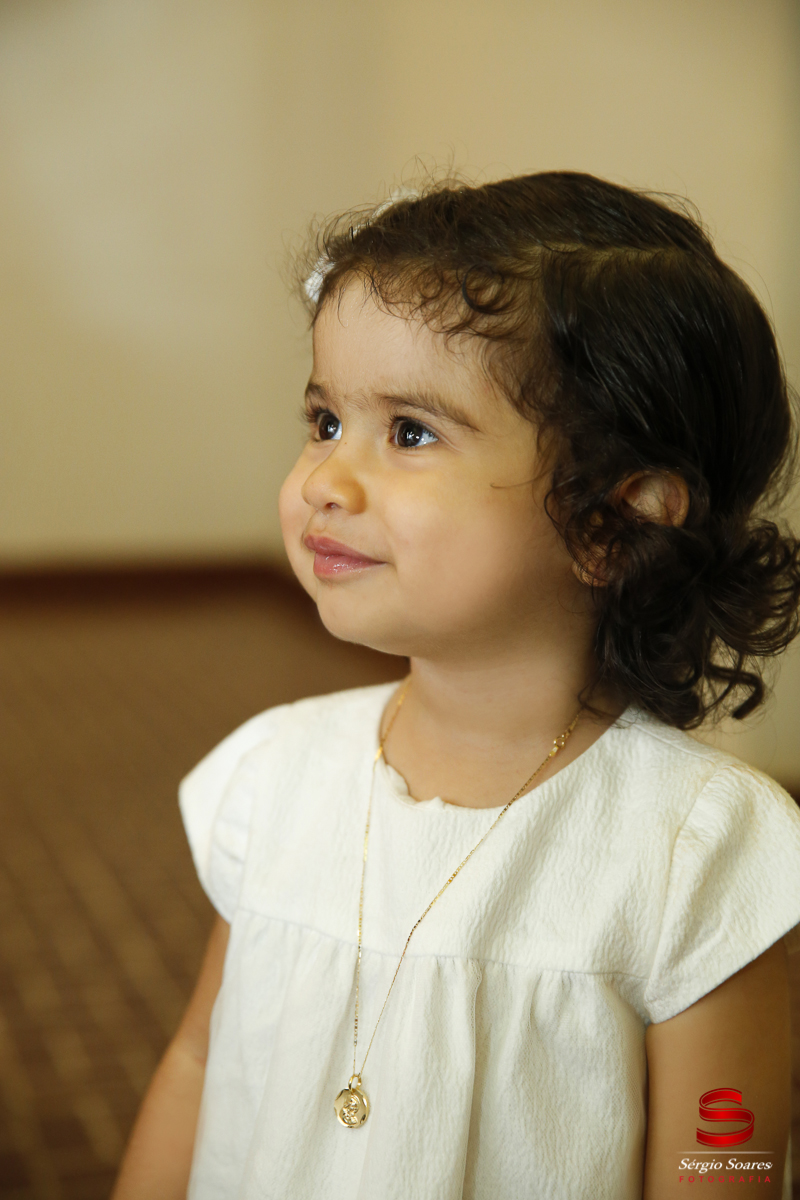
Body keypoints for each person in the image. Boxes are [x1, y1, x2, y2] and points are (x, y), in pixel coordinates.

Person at [111, 171, 800, 1199]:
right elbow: (201, 1062)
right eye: (323, 419)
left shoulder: (695, 850)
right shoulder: (274, 772)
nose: (324, 481)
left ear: (609, 524)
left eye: (409, 432)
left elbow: (722, 1154)